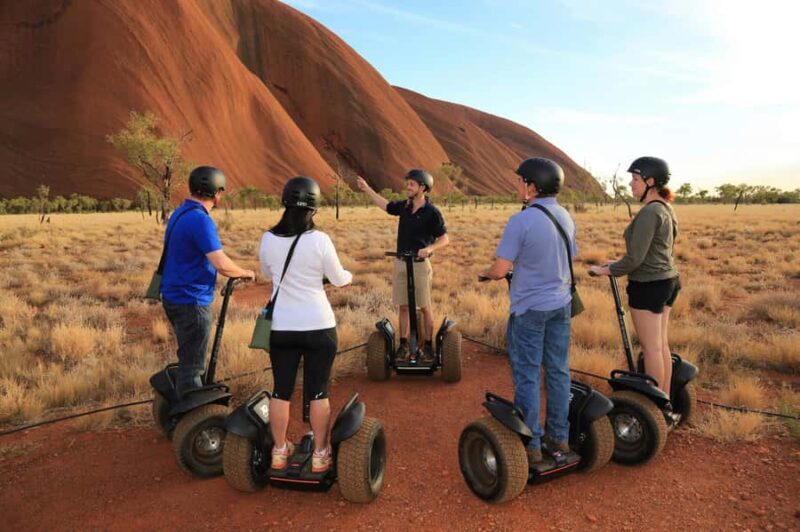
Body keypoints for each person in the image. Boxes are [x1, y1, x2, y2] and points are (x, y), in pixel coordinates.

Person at [478, 157, 576, 463]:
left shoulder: (521, 221)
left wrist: (487, 274)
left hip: (530, 309)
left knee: (528, 374)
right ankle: (559, 437)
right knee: (558, 371)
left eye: (521, 181)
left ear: (533, 187)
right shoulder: (565, 216)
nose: (517, 185)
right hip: (561, 305)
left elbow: (501, 268)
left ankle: (531, 443)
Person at [259, 176, 353, 473]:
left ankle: (279, 451)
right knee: (318, 392)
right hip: (318, 326)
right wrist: (348, 276)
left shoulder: (268, 239)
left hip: (282, 328)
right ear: (314, 207)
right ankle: (321, 454)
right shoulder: (320, 240)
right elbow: (339, 278)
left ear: (285, 202)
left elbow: (266, 273)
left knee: (281, 390)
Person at [161, 166, 256, 398]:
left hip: (173, 297)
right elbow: (220, 263)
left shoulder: (179, 213)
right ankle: (191, 411)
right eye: (221, 191)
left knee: (188, 357)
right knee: (193, 367)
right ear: (216, 192)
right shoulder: (200, 220)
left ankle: (183, 400)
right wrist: (244, 272)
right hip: (191, 301)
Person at [589, 156, 679, 401]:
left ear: (650, 182)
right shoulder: (665, 208)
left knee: (651, 349)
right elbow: (655, 251)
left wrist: (607, 270)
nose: (631, 183)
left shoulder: (650, 212)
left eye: (635, 179)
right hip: (668, 281)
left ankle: (654, 406)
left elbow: (636, 258)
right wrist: (617, 264)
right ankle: (664, 401)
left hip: (649, 285)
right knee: (660, 346)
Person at [356, 169, 449, 362]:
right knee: (403, 306)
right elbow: (386, 205)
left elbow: (444, 239)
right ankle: (404, 344)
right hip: (400, 263)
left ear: (423, 188)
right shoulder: (405, 207)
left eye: (412, 184)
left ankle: (428, 346)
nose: (408, 186)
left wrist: (429, 248)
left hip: (420, 265)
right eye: (408, 183)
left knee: (425, 306)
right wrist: (367, 189)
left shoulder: (432, 212)